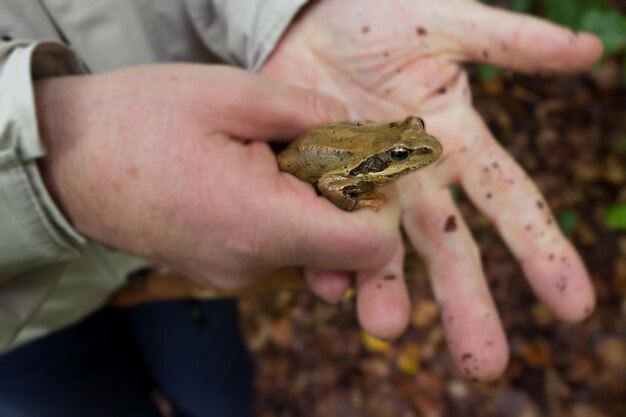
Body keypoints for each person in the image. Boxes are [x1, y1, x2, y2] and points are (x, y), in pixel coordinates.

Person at [0, 0, 601, 415]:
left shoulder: (371, 151)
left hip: (183, 266)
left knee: (216, 392)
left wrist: (290, 13)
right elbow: (330, 171)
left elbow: (340, 165)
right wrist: (63, 163)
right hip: (28, 321)